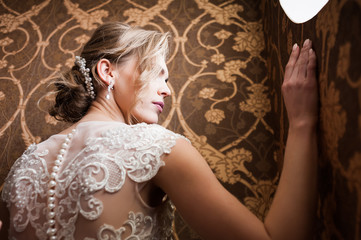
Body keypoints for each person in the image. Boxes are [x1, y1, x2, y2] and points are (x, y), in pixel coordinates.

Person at [1, 22, 318, 240]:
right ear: (107, 71)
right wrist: (301, 124)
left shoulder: (23, 167)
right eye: (158, 74)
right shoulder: (153, 146)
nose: (167, 91)